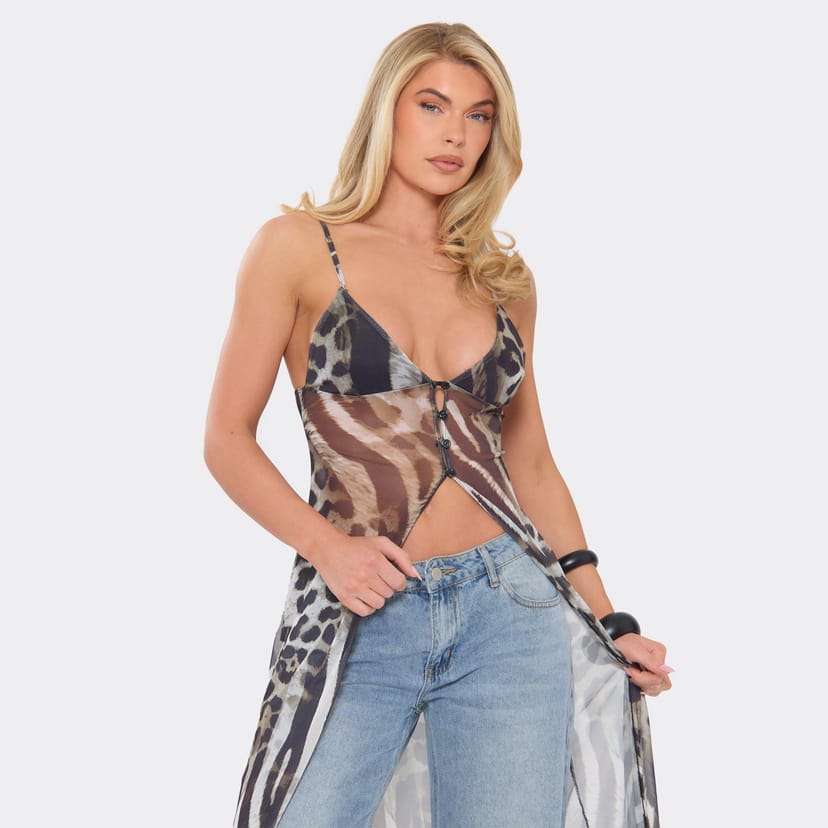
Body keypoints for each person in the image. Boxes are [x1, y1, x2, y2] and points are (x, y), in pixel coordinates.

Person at [204, 21, 672, 828]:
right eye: (432, 105)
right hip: (361, 611)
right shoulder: (298, 248)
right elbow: (226, 438)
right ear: (386, 110)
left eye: (479, 114)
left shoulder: (502, 279)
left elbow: (529, 461)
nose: (456, 133)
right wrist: (330, 550)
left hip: (510, 610)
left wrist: (609, 616)